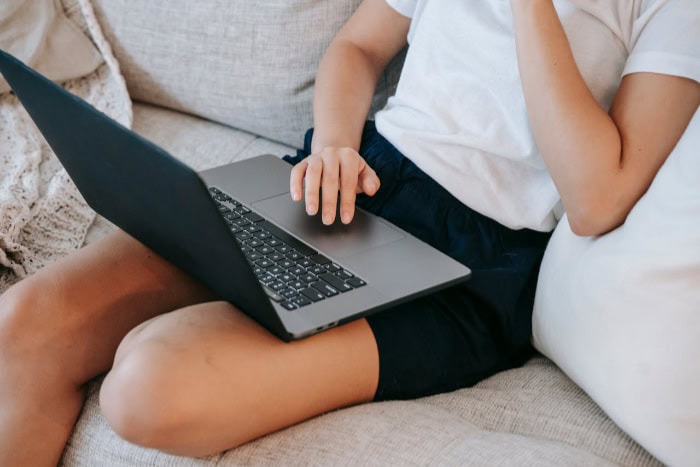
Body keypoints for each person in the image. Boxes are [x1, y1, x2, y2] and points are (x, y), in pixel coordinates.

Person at [1, 0, 698, 465]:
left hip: (472, 266)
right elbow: (360, 47)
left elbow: (597, 198)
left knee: (146, 385)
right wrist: (334, 144)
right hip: (355, 180)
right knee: (25, 321)